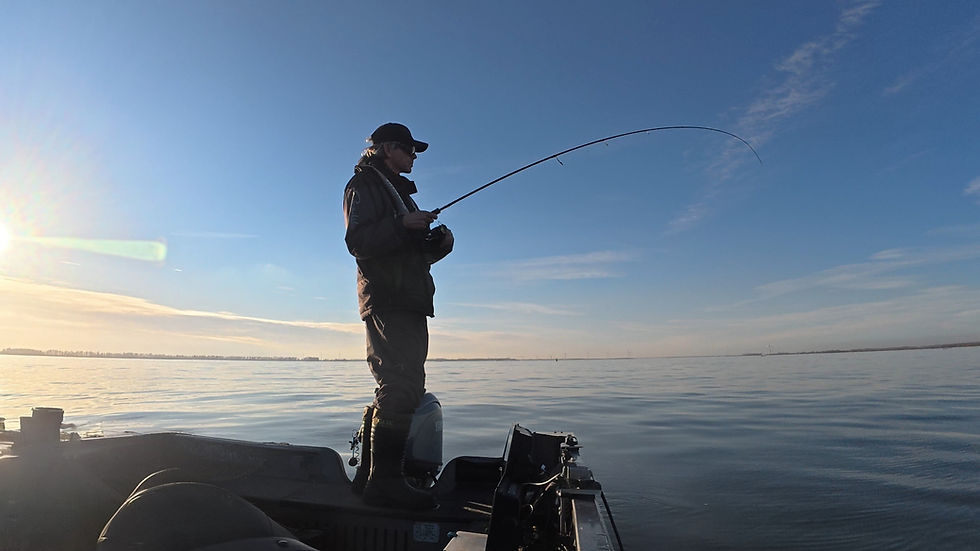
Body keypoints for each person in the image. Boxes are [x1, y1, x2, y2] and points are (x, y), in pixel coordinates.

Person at [342, 122, 453, 509]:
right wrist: (402, 223)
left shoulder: (397, 192)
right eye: (409, 149)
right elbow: (358, 243)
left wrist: (438, 246)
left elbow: (409, 254)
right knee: (403, 383)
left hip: (405, 296)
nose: (414, 156)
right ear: (387, 148)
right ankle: (385, 483)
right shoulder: (365, 186)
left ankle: (369, 478)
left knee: (398, 384)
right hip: (390, 299)